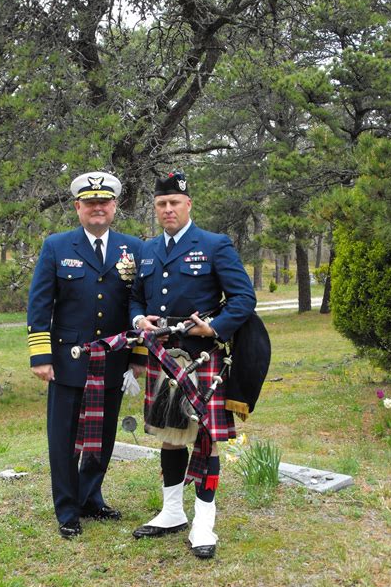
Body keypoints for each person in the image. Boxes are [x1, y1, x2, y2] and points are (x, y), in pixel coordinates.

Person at [130, 171, 256, 559]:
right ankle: (172, 512)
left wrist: (214, 327)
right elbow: (135, 298)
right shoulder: (147, 249)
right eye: (161, 204)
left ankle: (204, 523)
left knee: (206, 438)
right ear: (155, 208)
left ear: (188, 205)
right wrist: (139, 319)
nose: (168, 209)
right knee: (170, 433)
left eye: (174, 203)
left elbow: (243, 298)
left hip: (202, 354)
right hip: (163, 355)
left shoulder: (215, 245)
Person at [27, 171, 146, 539]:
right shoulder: (57, 246)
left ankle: (90, 497)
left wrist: (139, 356)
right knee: (64, 439)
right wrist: (40, 355)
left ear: (114, 206)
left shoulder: (133, 248)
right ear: (78, 207)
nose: (98, 208)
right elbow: (39, 303)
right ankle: (67, 510)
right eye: (91, 202)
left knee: (102, 435)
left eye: (104, 202)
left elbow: (140, 303)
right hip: (68, 361)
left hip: (113, 360)